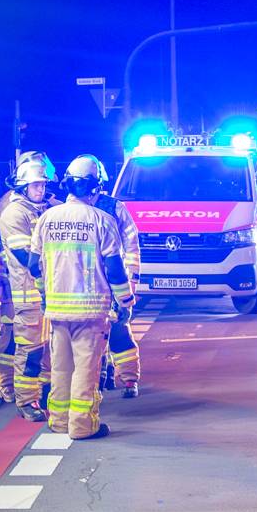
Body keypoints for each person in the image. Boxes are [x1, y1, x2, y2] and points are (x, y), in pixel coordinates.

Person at [32, 154, 134, 441]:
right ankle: (82, 426)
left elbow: (33, 264)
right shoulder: (102, 220)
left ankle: (58, 421)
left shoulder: (47, 218)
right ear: (95, 187)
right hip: (90, 310)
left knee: (60, 367)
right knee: (85, 370)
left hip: (57, 310)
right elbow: (115, 268)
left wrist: (44, 294)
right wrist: (125, 301)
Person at [0, 155, 56, 422]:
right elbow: (25, 256)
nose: (41, 190)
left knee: (49, 347)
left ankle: (45, 391)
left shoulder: (46, 209)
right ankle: (26, 400)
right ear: (23, 186)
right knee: (29, 350)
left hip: (50, 292)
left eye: (43, 185)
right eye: (36, 185)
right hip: (29, 293)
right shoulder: (14, 213)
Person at [92, 165, 144, 398]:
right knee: (93, 334)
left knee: (119, 330)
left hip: (113, 280)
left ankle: (129, 379)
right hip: (91, 283)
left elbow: (131, 245)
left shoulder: (115, 207)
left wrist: (130, 281)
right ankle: (101, 376)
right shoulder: (73, 209)